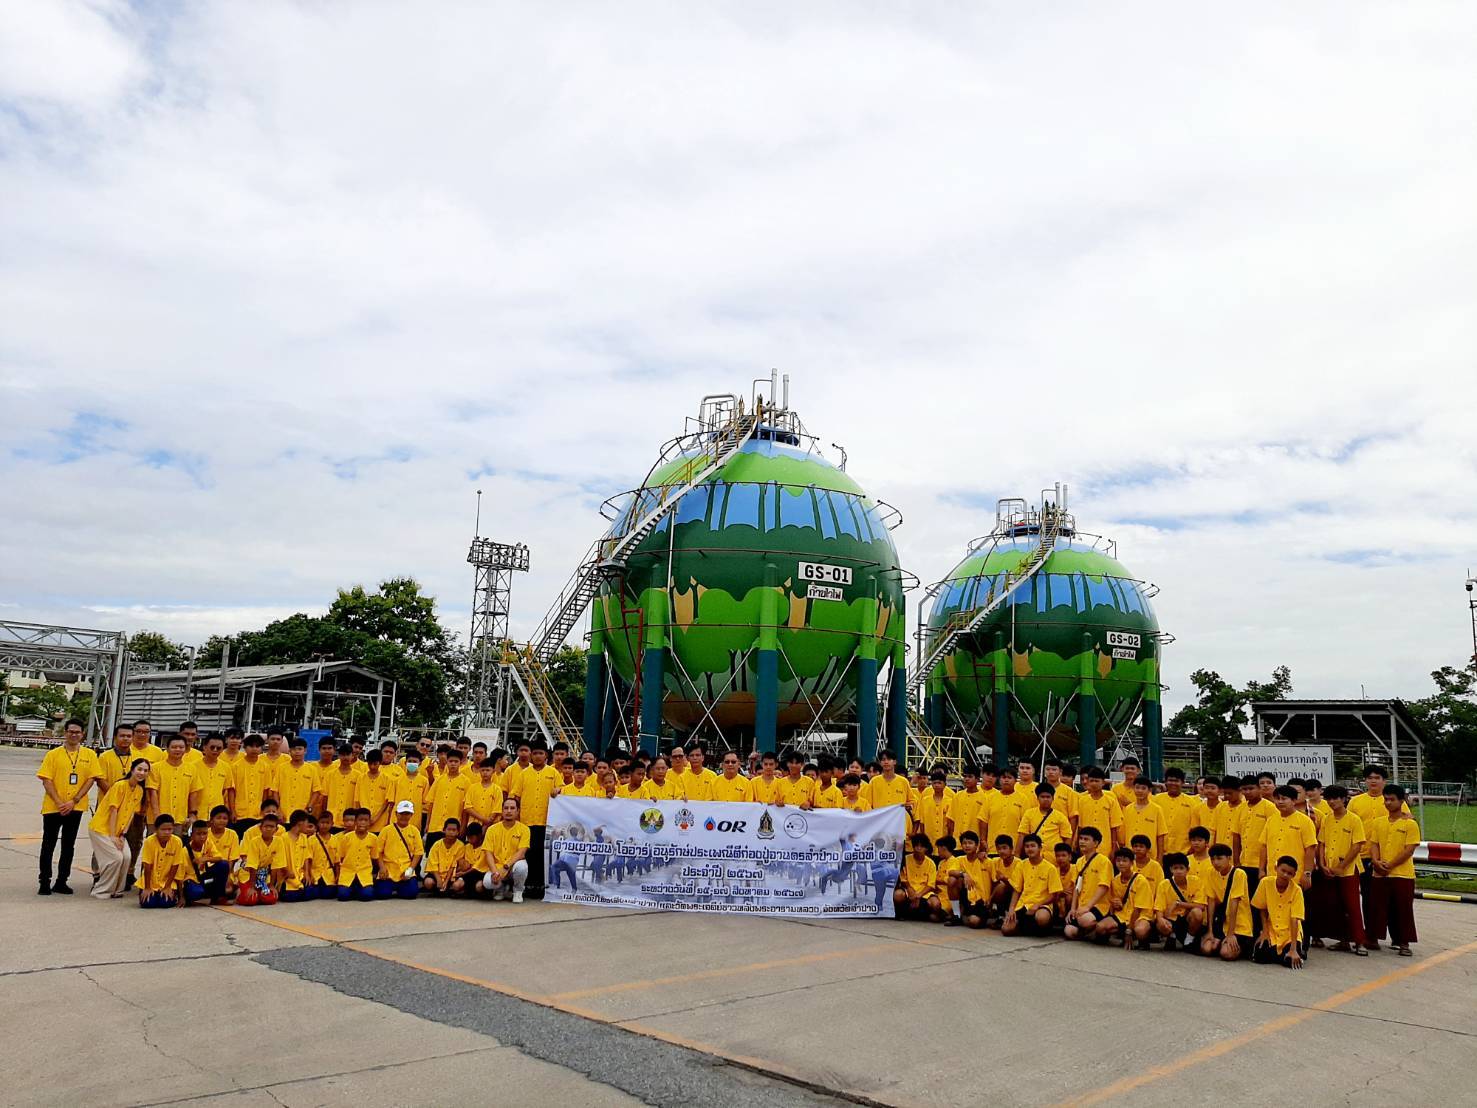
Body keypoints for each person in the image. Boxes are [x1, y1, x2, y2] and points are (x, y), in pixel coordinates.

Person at [37, 717, 101, 896]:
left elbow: (91, 779)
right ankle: (44, 880)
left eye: (77, 732)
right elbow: (46, 780)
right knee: (48, 844)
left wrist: (74, 800)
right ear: (65, 733)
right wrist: (59, 802)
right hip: (53, 807)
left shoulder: (89, 754)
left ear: (82, 734)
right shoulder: (53, 754)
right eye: (71, 731)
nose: (74, 735)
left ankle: (61, 881)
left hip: (75, 807)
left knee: (68, 845)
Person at [1312, 784, 1368, 955]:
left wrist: (1341, 867)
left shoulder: (1354, 819)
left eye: (1335, 798)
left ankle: (1359, 942)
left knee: (1352, 906)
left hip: (1349, 870)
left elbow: (1357, 845)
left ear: (1344, 799)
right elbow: (1321, 843)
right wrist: (1322, 864)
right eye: (1328, 798)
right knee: (1335, 906)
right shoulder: (1327, 818)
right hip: (1328, 869)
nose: (1332, 802)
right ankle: (1343, 940)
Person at [1368, 784, 1420, 956]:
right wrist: (1376, 861)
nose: (1388, 803)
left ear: (1401, 801)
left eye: (1392, 800)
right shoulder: (1378, 823)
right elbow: (1374, 844)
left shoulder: (1410, 824)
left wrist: (1390, 865)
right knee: (1376, 906)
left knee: (1403, 908)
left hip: (1402, 874)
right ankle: (1373, 938)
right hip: (1379, 872)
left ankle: (1403, 942)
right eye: (1386, 800)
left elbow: (1409, 849)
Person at [89, 757, 151, 899]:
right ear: (132, 770)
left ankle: (117, 889)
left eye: (145, 771)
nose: (142, 773)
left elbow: (130, 815)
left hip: (118, 832)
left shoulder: (139, 791)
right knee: (116, 858)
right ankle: (101, 890)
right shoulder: (120, 786)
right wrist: (112, 836)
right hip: (101, 829)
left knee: (127, 857)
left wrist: (122, 835)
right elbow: (113, 811)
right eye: (139, 769)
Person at [1252, 856, 1307, 968]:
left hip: (1290, 933)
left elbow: (1295, 918)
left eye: (1290, 873)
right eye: (1283, 871)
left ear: (1294, 875)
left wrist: (1293, 948)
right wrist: (1264, 932)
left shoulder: (1297, 890)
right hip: (1272, 930)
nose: (1285, 875)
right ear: (1276, 868)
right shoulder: (1265, 882)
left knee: (1290, 961)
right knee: (1259, 956)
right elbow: (1262, 908)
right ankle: (1285, 955)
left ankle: (1297, 951)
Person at [1201, 843, 1254, 960]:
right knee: (1207, 948)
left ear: (1229, 858)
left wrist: (1231, 934)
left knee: (1226, 953)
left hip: (1239, 925)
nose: (1215, 862)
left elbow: (1234, 903)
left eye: (1219, 858)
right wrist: (1210, 931)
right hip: (1221, 922)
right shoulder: (1210, 872)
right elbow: (1211, 901)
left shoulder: (1239, 874)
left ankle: (1239, 945)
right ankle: (1220, 941)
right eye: (1213, 859)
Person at [1002, 833, 1059, 936]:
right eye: (1027, 846)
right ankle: (1028, 926)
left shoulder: (1050, 868)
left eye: (1033, 846)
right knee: (1006, 930)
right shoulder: (1021, 865)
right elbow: (1016, 889)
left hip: (1041, 905)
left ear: (1040, 848)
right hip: (1023, 904)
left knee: (1042, 918)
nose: (1030, 849)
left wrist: (1037, 905)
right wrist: (1011, 909)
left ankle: (1042, 926)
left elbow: (1054, 895)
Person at [1063, 827, 1114, 940]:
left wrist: (1088, 907)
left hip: (1099, 906)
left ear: (1096, 843)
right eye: (1080, 838)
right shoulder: (1079, 861)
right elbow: (1077, 887)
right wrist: (1073, 909)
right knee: (1069, 931)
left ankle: (1101, 928)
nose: (1082, 841)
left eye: (1086, 839)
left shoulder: (1103, 861)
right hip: (1082, 905)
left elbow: (1104, 887)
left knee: (1084, 920)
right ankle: (1090, 932)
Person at [1098, 847, 1154, 948]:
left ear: (1132, 863)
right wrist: (1117, 905)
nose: (1121, 863)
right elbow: (1115, 904)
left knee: (1140, 931)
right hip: (1123, 914)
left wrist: (1129, 930)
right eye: (1118, 860)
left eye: (1125, 861)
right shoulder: (1115, 880)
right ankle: (1121, 934)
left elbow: (1138, 909)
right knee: (1100, 927)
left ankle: (1143, 938)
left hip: (1140, 915)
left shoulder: (1140, 881)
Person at [480, 797, 531, 902]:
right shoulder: (492, 829)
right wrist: (494, 872)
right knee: (487, 882)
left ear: (518, 811)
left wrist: (506, 867)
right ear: (502, 810)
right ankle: (500, 889)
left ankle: (518, 891)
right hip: (497, 867)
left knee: (521, 867)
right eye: (506, 808)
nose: (509, 811)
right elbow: (488, 853)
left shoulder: (524, 829)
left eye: (512, 808)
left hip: (512, 866)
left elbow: (521, 852)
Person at [1153, 852, 1206, 951]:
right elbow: (1158, 908)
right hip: (1171, 918)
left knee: (1197, 913)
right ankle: (1171, 935)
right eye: (1175, 868)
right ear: (1171, 869)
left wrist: (1178, 903)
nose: (1178, 871)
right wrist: (1161, 921)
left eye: (1181, 868)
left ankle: (1189, 939)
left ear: (1187, 869)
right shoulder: (1164, 884)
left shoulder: (1196, 881)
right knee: (1160, 924)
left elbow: (1201, 906)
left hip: (1187, 919)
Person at [374, 801, 424, 899]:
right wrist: (382, 867)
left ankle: (400, 887)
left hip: (405, 870)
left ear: (411, 815)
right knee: (382, 894)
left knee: (411, 894)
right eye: (401, 813)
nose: (404, 816)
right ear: (396, 814)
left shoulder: (414, 831)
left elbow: (418, 853)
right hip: (388, 871)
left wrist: (410, 870)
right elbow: (378, 851)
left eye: (407, 814)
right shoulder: (386, 830)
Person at [225, 734, 271, 836]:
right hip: (239, 813)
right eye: (251, 746)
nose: (254, 749)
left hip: (257, 813)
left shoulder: (265, 767)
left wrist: (264, 811)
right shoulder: (236, 766)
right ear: (244, 747)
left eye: (257, 746)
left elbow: (265, 791)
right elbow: (231, 790)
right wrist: (232, 811)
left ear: (262, 748)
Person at [944, 831, 990, 928]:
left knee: (974, 922)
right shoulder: (959, 859)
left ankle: (989, 914)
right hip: (967, 895)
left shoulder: (985, 860)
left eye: (970, 843)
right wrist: (964, 874)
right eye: (964, 843)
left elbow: (994, 880)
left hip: (981, 899)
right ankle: (957, 914)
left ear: (976, 845)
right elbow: (950, 872)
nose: (967, 846)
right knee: (952, 880)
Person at [138, 815, 184, 908]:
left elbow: (175, 866)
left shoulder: (177, 842)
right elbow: (147, 866)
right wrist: (147, 888)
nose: (167, 832)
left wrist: (167, 887)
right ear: (156, 829)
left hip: (167, 880)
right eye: (163, 829)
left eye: (169, 829)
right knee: (148, 903)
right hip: (151, 881)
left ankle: (170, 894)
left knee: (165, 903)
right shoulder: (149, 841)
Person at [1152, 768, 1200, 855]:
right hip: (1160, 851)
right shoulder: (1156, 800)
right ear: (1165, 782)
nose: (1173, 783)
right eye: (1170, 780)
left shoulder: (1192, 803)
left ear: (1183, 782)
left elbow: (1195, 828)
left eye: (1176, 781)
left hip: (1183, 852)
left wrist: (1191, 849)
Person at [334, 808, 378, 901]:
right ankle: (351, 888)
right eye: (360, 820)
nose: (362, 823)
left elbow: (374, 858)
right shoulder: (346, 838)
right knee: (342, 896)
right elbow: (340, 858)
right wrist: (338, 874)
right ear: (355, 821)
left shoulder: (373, 838)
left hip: (364, 873)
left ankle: (360, 888)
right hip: (348, 873)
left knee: (367, 896)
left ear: (369, 822)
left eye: (365, 820)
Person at [895, 834, 942, 921]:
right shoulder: (905, 859)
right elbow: (903, 880)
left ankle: (922, 915)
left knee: (936, 904)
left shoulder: (931, 863)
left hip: (924, 892)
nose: (918, 848)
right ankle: (901, 914)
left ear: (926, 848)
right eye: (916, 845)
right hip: (908, 889)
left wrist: (918, 896)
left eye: (921, 846)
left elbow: (931, 885)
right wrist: (911, 891)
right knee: (898, 895)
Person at [1017, 783, 1072, 857]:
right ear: (1037, 798)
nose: (1045, 799)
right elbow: (1022, 834)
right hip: (1034, 855)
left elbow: (1067, 838)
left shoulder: (1060, 816)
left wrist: (1064, 856)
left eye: (1048, 797)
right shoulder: (1029, 813)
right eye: (1042, 797)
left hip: (1054, 858)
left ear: (1053, 798)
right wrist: (1017, 854)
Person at [200, 806, 239, 904]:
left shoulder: (232, 834)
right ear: (211, 820)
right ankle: (217, 893)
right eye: (218, 818)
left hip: (225, 870)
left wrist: (228, 877)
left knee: (228, 887)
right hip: (207, 870)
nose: (222, 821)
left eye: (225, 818)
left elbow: (232, 859)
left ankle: (218, 894)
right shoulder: (204, 833)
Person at [1121, 777, 1167, 860]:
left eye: (1143, 788)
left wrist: (1160, 857)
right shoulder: (1128, 809)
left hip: (1150, 856)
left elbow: (1161, 835)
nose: (1140, 791)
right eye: (1137, 787)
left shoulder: (1156, 809)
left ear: (1149, 790)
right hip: (1131, 855)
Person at [424, 818, 468, 896]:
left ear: (458, 832)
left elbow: (454, 865)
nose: (451, 832)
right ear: (444, 830)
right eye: (449, 829)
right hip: (437, 874)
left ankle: (447, 889)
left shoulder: (460, 845)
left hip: (452, 875)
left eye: (454, 830)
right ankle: (440, 889)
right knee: (428, 883)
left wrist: (446, 881)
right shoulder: (437, 845)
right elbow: (433, 865)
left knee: (457, 885)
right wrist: (439, 880)